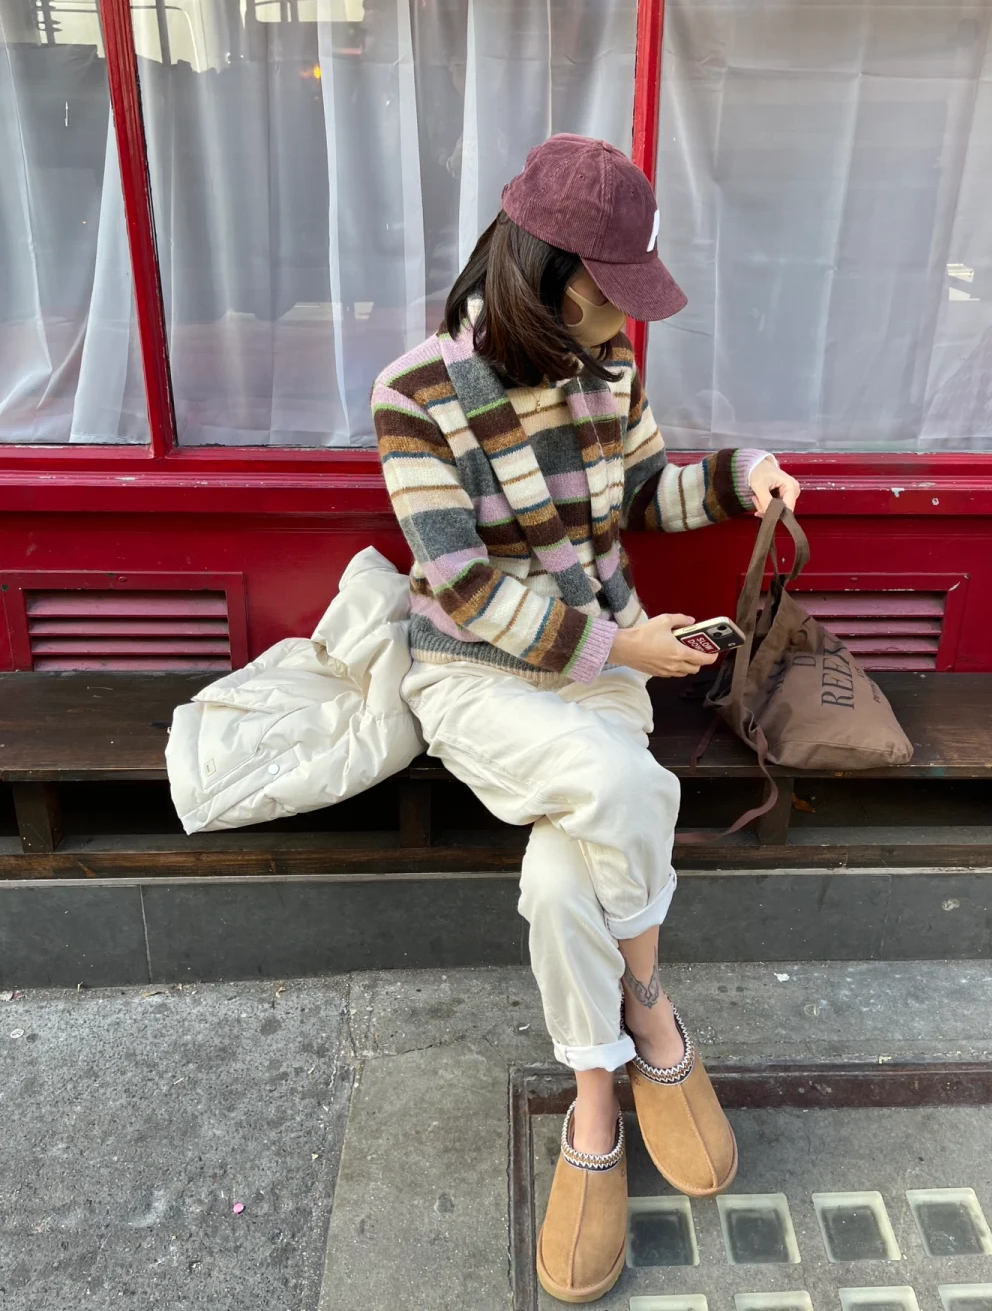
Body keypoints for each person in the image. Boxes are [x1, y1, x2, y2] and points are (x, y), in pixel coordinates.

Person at [371, 134, 800, 1304]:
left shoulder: (608, 366)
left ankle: (594, 1100)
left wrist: (743, 475)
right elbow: (463, 590)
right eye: (609, 291)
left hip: (599, 663)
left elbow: (643, 496)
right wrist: (622, 646)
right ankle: (654, 1018)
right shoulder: (417, 394)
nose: (624, 319)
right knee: (620, 789)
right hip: (475, 676)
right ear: (540, 270)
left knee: (564, 876)